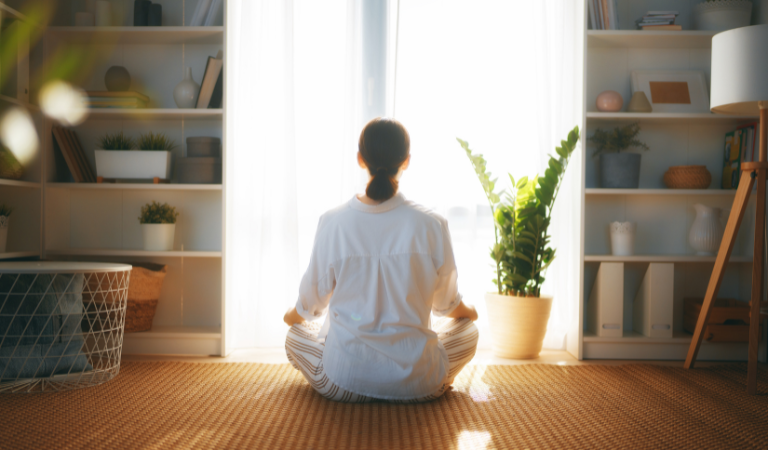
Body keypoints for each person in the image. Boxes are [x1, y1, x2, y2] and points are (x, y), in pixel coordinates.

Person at [284, 117, 479, 403]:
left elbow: (310, 305)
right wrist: (469, 312)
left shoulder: (333, 222)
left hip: (342, 383)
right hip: (420, 387)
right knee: (469, 331)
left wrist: (291, 318)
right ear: (407, 161)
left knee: (295, 336)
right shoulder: (433, 224)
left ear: (360, 159)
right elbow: (446, 305)